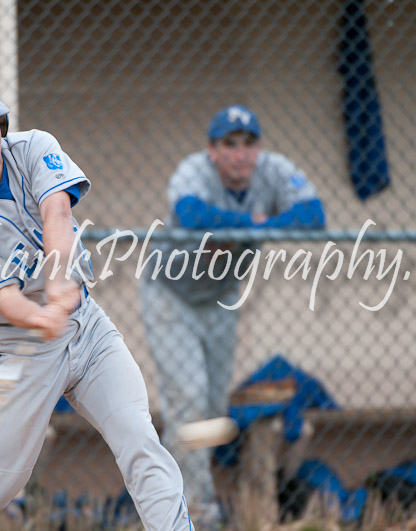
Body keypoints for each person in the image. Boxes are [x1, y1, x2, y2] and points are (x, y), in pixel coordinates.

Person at [0, 70, 192, 531]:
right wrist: (41, 317)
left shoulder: (34, 146)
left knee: (140, 439)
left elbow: (56, 209)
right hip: (24, 348)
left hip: (89, 327)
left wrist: (61, 284)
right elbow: (4, 302)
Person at [139, 104, 326, 522]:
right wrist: (253, 223)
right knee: (186, 400)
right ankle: (192, 512)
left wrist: (249, 228)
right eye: (229, 144)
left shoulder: (272, 169)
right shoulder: (195, 170)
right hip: (170, 293)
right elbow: (189, 214)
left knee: (209, 408)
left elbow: (314, 215)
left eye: (248, 144)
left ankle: (180, 505)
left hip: (220, 298)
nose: (240, 154)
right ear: (212, 150)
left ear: (258, 149)